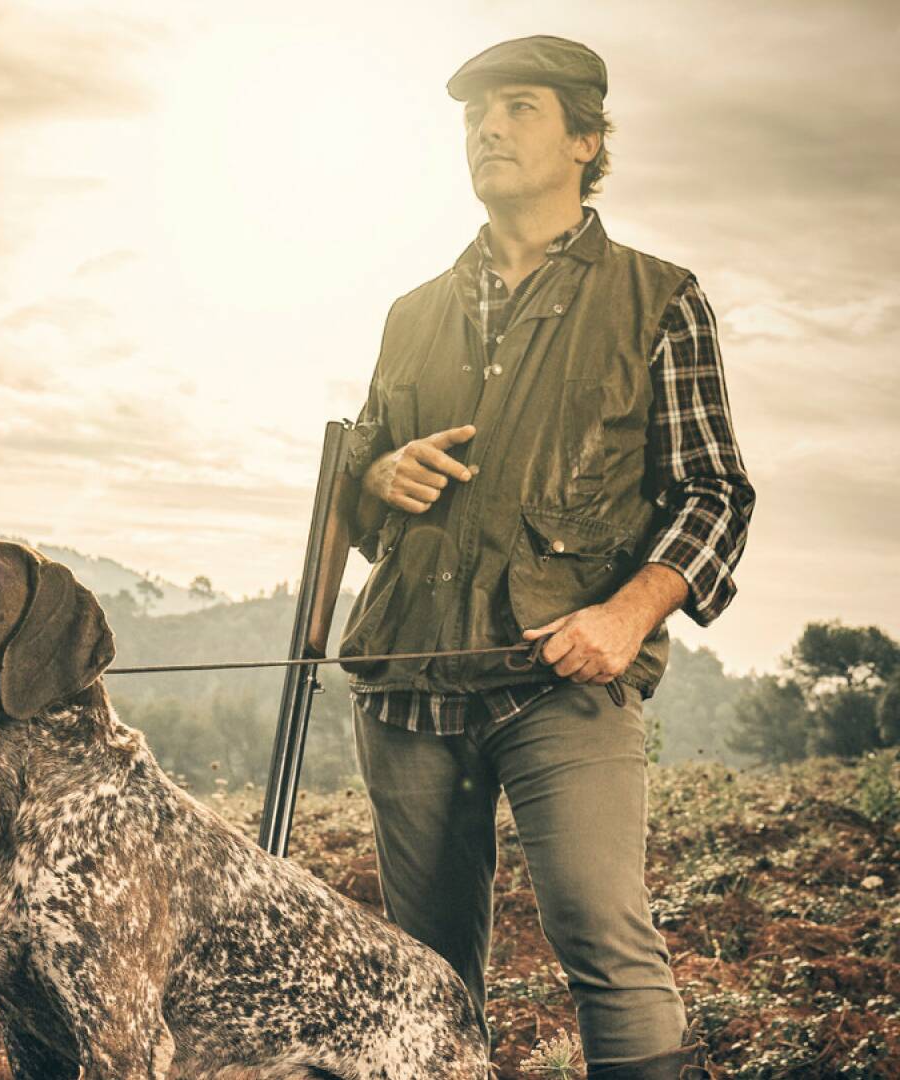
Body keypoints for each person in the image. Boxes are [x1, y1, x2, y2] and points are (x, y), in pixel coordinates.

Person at [335, 35, 754, 1080]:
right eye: (476, 113)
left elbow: (716, 493)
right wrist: (380, 477)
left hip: (561, 676)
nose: (487, 129)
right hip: (410, 681)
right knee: (424, 975)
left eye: (519, 108)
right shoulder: (411, 314)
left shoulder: (659, 299)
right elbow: (362, 502)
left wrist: (626, 617)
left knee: (604, 940)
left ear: (585, 138)